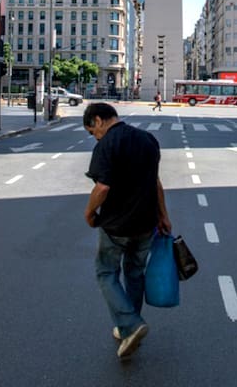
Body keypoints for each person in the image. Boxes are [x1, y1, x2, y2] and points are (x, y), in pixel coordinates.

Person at [83, 102, 171, 359]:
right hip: (146, 224)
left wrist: (89, 213)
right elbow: (155, 183)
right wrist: (164, 216)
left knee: (106, 272)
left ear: (98, 120)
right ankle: (128, 327)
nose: (94, 136)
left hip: (116, 225)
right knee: (135, 274)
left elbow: (102, 188)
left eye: (92, 131)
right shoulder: (148, 140)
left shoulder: (107, 145)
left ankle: (130, 325)